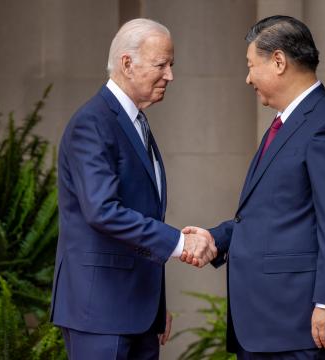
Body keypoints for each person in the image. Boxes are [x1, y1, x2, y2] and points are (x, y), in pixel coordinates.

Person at [182, 15, 325, 360]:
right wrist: (216, 239)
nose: (248, 77)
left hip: (301, 325)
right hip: (266, 326)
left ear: (279, 61)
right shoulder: (285, 125)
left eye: (252, 65)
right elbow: (272, 214)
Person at [50, 18, 217, 359]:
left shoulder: (134, 121)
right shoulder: (92, 123)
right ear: (127, 63)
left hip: (137, 314)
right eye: (161, 65)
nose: (170, 75)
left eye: (171, 65)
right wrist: (180, 242)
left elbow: (141, 216)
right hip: (100, 314)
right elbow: (102, 211)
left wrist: (154, 306)